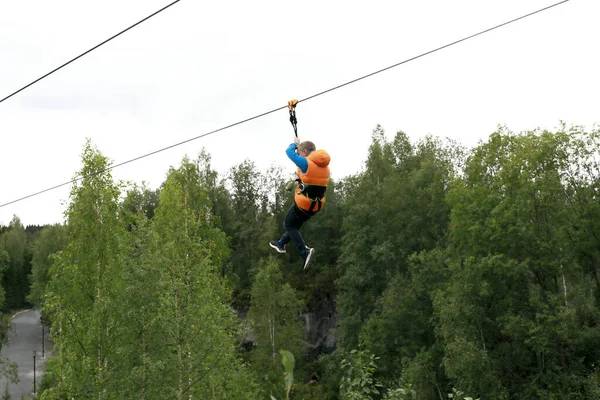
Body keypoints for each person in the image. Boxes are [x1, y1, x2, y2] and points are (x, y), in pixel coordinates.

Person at [269, 135, 331, 269]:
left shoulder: (306, 163)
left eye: (299, 153)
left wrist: (295, 143)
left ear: (304, 152)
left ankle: (304, 251)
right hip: (315, 206)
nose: (298, 156)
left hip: (303, 204)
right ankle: (281, 243)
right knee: (294, 225)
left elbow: (288, 152)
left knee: (288, 225)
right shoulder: (325, 168)